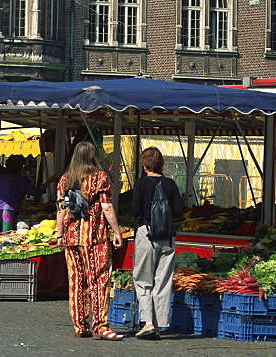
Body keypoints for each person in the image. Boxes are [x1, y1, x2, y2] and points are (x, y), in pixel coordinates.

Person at [56, 141, 124, 341]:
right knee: (99, 279)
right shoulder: (99, 177)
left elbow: (60, 211)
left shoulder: (64, 179)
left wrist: (60, 235)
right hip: (94, 237)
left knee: (76, 281)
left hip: (70, 238)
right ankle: (100, 325)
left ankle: (79, 325)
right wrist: (117, 232)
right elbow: (107, 207)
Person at [130, 147, 184, 340]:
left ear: (144, 165)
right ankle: (161, 323)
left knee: (143, 279)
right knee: (163, 281)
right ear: (162, 164)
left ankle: (148, 323)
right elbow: (179, 209)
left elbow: (135, 210)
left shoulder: (141, 184)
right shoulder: (170, 184)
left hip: (147, 234)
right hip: (168, 237)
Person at [0, 155, 43, 232]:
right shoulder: (19, 179)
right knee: (6, 239)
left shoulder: (0, 179)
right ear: (20, 167)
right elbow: (34, 192)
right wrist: (48, 182)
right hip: (7, 212)